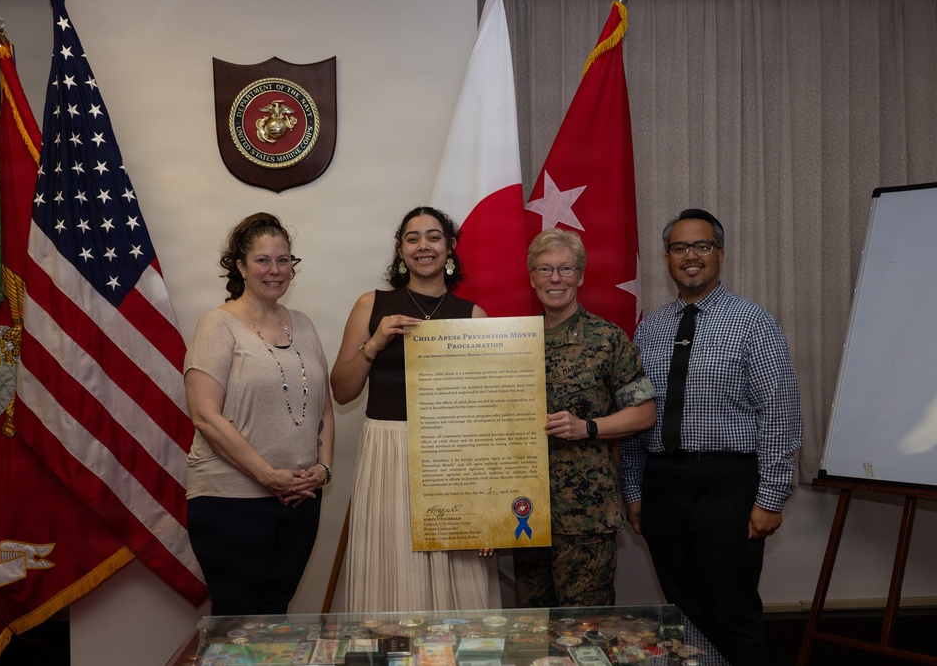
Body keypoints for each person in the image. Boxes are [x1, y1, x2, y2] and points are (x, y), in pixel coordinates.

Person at [619, 209, 802, 666]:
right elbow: (636, 416)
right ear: (667, 259)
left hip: (727, 486)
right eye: (680, 248)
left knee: (731, 613)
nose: (691, 256)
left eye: (701, 246)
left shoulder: (752, 322)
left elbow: (780, 413)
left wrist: (771, 498)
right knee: (683, 618)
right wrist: (636, 489)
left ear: (720, 254)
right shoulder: (650, 329)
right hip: (663, 485)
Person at [331, 206, 500, 612]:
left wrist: (492, 506)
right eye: (412, 238)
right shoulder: (371, 304)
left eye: (434, 236)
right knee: (392, 572)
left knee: (459, 579)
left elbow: (488, 416)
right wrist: (373, 345)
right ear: (399, 249)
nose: (423, 245)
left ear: (450, 247)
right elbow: (341, 391)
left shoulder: (474, 316)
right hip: (388, 452)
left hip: (453, 459)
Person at [184, 212, 334, 616]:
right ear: (240, 266)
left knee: (275, 620)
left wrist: (324, 468)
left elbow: (325, 409)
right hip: (230, 500)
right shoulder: (218, 324)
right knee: (237, 620)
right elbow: (205, 416)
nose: (275, 270)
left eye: (283, 260)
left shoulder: (303, 325)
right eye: (263, 260)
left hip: (299, 499)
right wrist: (268, 477)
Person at [513, 228, 656, 608]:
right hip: (525, 514)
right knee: (532, 628)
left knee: (586, 631)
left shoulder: (607, 339)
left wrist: (588, 427)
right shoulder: (511, 342)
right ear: (531, 277)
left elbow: (645, 413)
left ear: (580, 276)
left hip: (585, 518)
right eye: (544, 269)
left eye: (565, 269)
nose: (555, 279)